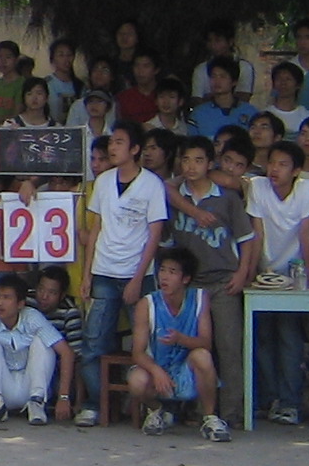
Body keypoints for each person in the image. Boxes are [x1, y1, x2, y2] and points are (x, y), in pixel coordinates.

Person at [77, 122, 167, 426]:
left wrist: (138, 278)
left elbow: (155, 235)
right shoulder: (103, 182)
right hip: (103, 270)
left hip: (137, 272)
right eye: (111, 142)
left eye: (119, 142)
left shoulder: (152, 184)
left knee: (148, 343)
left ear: (135, 149)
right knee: (93, 342)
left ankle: (153, 404)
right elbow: (95, 229)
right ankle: (95, 404)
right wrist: (87, 275)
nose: (112, 147)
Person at [165, 134, 255, 426]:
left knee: (229, 348)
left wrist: (242, 273)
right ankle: (197, 410)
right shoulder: (176, 197)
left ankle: (231, 413)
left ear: (210, 163)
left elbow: (247, 239)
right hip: (190, 285)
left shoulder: (226, 198)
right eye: (186, 160)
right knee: (194, 348)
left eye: (199, 160)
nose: (191, 166)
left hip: (222, 281)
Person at [126, 247, 226, 439]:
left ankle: (210, 417)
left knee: (203, 356)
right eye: (162, 270)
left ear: (185, 278)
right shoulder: (147, 304)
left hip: (186, 368)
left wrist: (181, 339)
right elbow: (137, 352)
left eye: (172, 272)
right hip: (157, 367)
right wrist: (156, 371)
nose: (164, 277)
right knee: (137, 380)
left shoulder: (199, 298)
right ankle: (156, 411)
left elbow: (206, 342)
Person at [246, 141, 309, 423]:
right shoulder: (258, 187)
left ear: (296, 170)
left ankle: (290, 403)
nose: (274, 169)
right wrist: (250, 275)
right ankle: (268, 400)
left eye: (283, 164)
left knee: (289, 338)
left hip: (295, 275)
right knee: (262, 339)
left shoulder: (307, 190)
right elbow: (257, 234)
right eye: (272, 162)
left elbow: (306, 235)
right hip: (265, 275)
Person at [0, 273, 73, 424]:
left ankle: (36, 404)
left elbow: (66, 353)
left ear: (20, 304)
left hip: (30, 386)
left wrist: (63, 397)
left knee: (42, 341)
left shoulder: (32, 317)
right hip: (1, 388)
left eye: (6, 298)